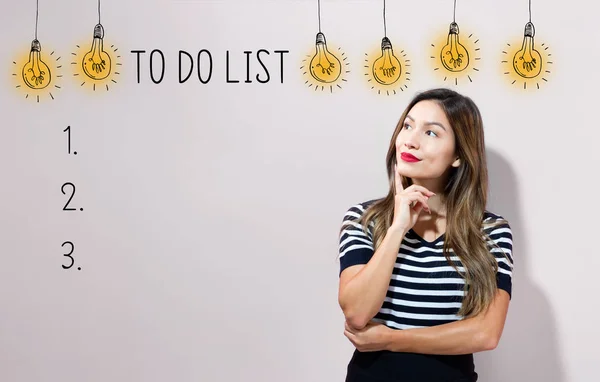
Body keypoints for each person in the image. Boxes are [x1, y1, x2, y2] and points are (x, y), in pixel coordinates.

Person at [337, 88, 513, 382]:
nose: (410, 140)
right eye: (408, 126)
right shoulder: (363, 219)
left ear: (458, 155)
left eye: (431, 133)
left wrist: (389, 339)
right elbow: (356, 313)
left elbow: (485, 334)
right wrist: (397, 229)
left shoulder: (490, 231)